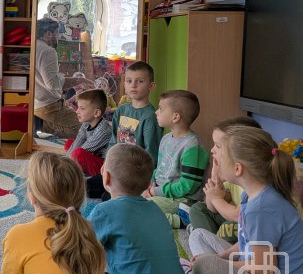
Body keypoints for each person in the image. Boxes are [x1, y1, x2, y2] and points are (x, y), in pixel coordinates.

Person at [187, 126, 303, 274]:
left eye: (220, 157)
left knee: (202, 271)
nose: (215, 159)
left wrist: (215, 263)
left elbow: (265, 270)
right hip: (258, 273)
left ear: (237, 168)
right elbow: (245, 243)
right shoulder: (251, 196)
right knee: (198, 235)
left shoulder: (261, 209)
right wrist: (223, 257)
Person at [87, 143, 193, 274]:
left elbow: (79, 250)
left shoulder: (104, 211)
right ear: (147, 184)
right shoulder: (156, 209)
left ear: (107, 177)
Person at [188, 116, 262, 245]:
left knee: (229, 227)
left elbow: (237, 216)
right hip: (234, 223)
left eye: (217, 145)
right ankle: (212, 242)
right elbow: (211, 208)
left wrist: (217, 199)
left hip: (249, 229)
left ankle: (214, 247)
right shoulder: (232, 177)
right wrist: (216, 180)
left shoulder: (255, 182)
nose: (212, 150)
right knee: (198, 209)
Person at [141, 90, 208, 228]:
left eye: (161, 109)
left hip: (182, 199)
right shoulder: (166, 138)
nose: (156, 112)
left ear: (175, 117)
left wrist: (155, 192)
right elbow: (160, 169)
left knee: (138, 209)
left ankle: (183, 220)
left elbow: (188, 186)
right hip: (161, 192)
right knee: (126, 197)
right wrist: (150, 184)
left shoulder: (192, 146)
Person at [33, 18, 81, 139]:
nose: (58, 36)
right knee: (86, 129)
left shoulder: (34, 46)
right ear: (49, 33)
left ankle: (43, 126)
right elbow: (52, 83)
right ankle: (44, 126)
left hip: (38, 105)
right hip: (48, 107)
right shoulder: (48, 51)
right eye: (57, 33)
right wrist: (78, 81)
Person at [107, 61, 162, 164]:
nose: (133, 85)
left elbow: (151, 153)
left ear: (151, 86)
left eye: (140, 81)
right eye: (129, 81)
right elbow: (113, 141)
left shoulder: (150, 117)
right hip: (117, 165)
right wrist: (107, 162)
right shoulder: (121, 110)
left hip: (137, 171)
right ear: (124, 84)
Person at [65, 88, 111, 176]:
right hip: (92, 153)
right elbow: (78, 141)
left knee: (78, 153)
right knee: (69, 143)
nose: (77, 111)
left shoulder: (103, 131)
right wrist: (65, 161)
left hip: (103, 165)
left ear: (96, 113)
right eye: (78, 107)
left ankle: (77, 169)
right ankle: (75, 166)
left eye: (82, 108)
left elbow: (83, 149)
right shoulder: (86, 124)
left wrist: (66, 164)